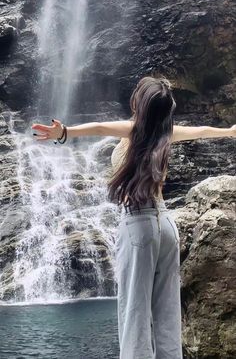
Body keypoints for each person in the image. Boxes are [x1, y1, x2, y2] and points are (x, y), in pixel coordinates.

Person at [31, 75, 236, 359]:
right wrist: (229, 131)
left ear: (140, 103)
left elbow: (99, 127)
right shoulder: (166, 133)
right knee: (167, 312)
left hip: (138, 226)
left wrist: (64, 132)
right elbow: (201, 130)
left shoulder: (135, 129)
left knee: (135, 313)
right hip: (166, 226)